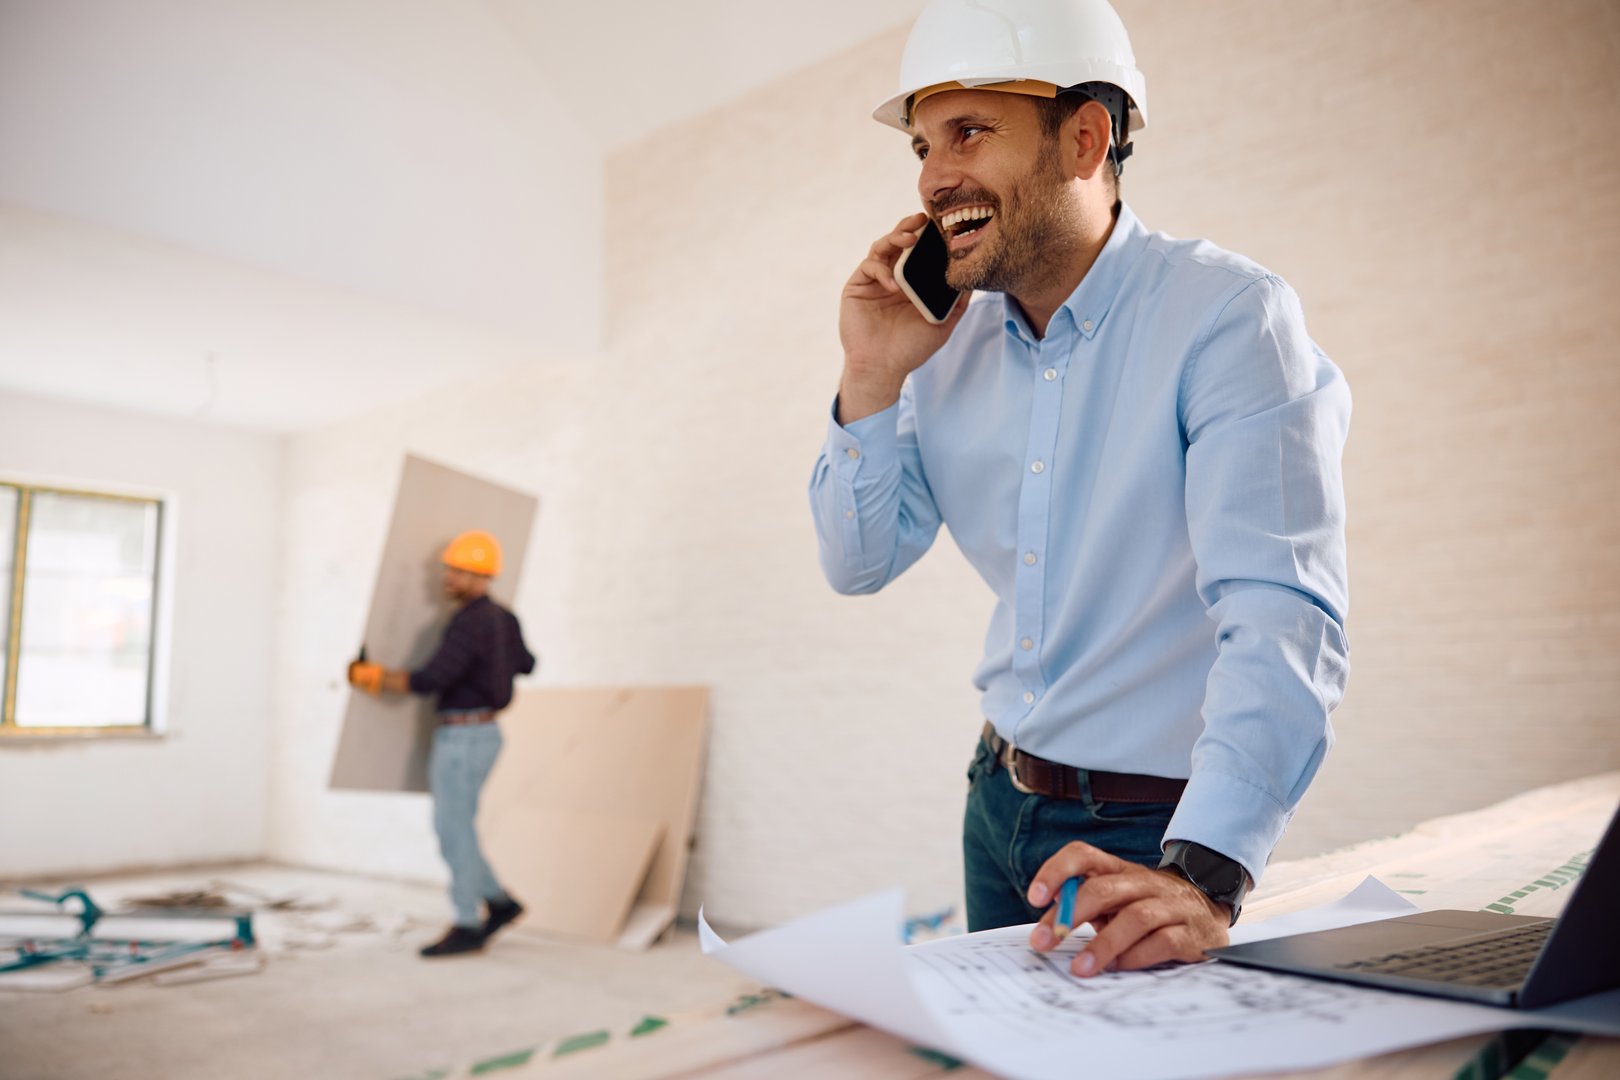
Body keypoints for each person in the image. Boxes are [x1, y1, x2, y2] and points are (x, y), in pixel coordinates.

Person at [809, 0, 1350, 979]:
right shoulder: (943, 344)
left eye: (970, 132)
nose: (934, 178)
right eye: (925, 145)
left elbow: (1282, 615)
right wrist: (872, 377)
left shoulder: (1228, 319)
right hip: (996, 798)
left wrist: (1206, 871)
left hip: (1146, 833)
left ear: (1085, 138)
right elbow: (860, 563)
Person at [347, 529, 536, 957]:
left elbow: (430, 680)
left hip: (464, 737)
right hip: (486, 735)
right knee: (459, 829)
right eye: (447, 568)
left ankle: (468, 923)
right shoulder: (504, 618)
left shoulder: (470, 622)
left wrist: (374, 678)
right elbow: (527, 663)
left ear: (480, 575)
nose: (447, 577)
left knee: (453, 832)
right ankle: (501, 904)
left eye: (457, 571)